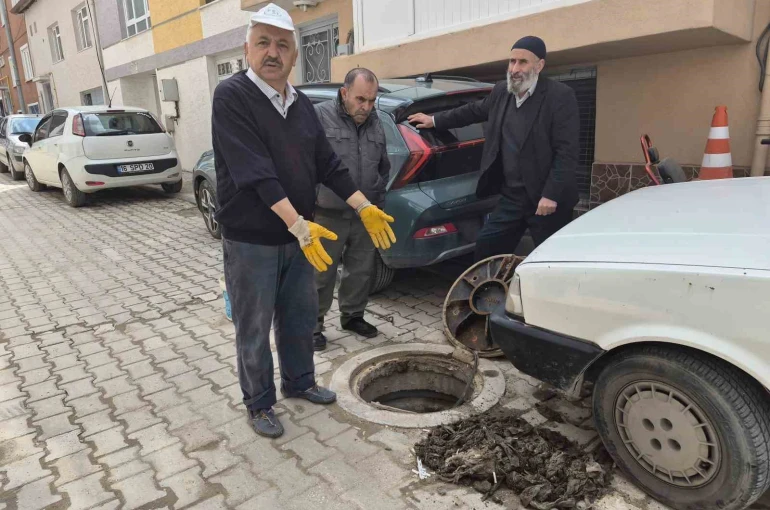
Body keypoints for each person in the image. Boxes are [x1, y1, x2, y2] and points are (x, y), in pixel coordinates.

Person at [211, 3, 396, 439]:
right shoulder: (232, 95)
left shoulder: (300, 106)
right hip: (253, 240)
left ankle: (299, 382)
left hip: (301, 237)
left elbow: (328, 164)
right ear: (246, 48)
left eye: (282, 45)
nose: (272, 53)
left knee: (298, 316)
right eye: (263, 43)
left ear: (294, 55)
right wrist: (298, 223)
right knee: (253, 327)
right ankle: (258, 403)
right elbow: (254, 172)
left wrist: (362, 205)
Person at [408, 36, 579, 261]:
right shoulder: (502, 92)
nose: (515, 69)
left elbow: (567, 152)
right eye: (512, 61)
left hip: (545, 200)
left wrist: (550, 195)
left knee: (551, 260)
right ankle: (491, 294)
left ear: (539, 65)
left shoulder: (559, 96)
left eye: (522, 62)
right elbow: (471, 112)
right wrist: (434, 120)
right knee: (487, 251)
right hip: (512, 198)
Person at [312, 68, 390, 350]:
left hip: (364, 215)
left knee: (360, 270)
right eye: (360, 100)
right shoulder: (319, 116)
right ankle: (313, 326)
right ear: (344, 93)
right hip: (327, 212)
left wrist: (377, 202)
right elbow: (306, 165)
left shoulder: (375, 121)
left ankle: (353, 316)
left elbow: (383, 165)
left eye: (371, 101)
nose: (366, 107)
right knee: (321, 272)